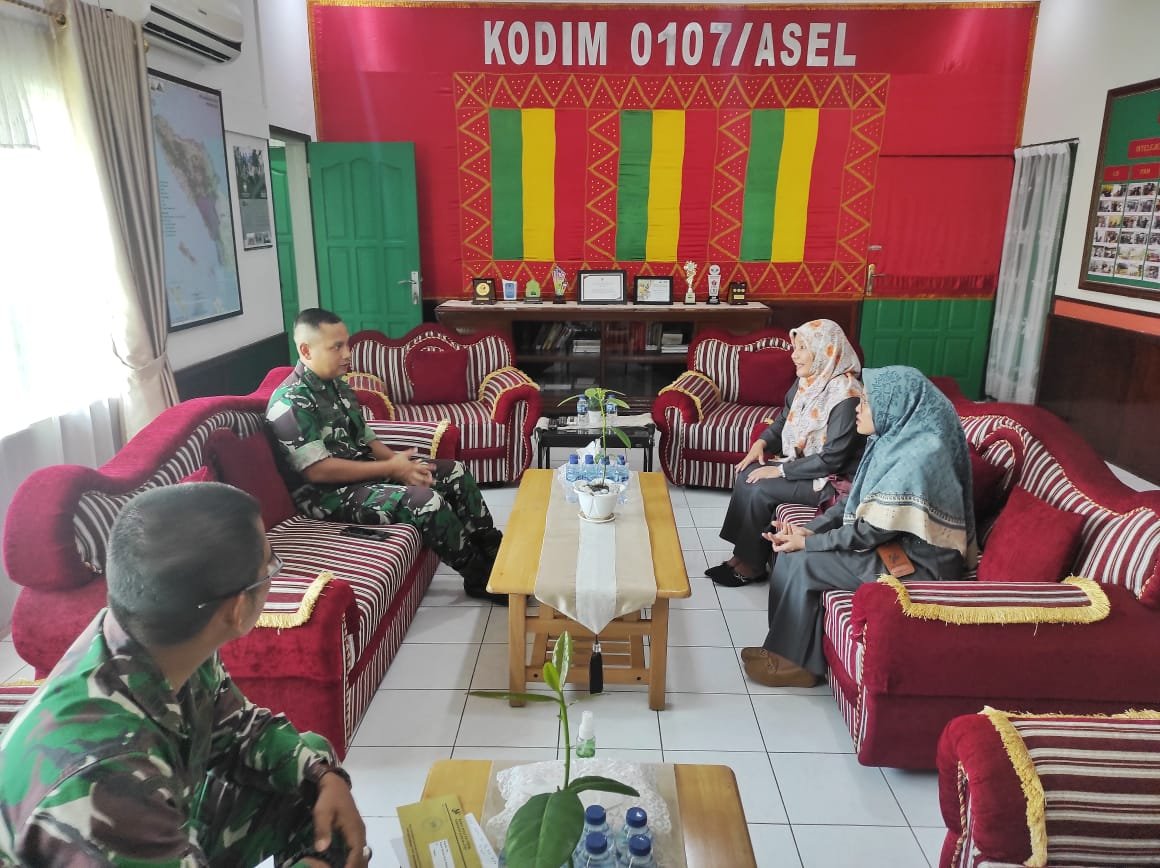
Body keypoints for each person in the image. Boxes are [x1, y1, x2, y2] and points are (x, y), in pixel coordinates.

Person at [0, 484, 369, 867]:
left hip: (148, 813)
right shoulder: (110, 782)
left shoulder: (159, 635)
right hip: (116, 822)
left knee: (308, 774)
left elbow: (238, 731)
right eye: (268, 566)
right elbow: (126, 803)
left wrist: (324, 775)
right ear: (237, 610)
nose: (274, 572)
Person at [741, 366, 977, 688]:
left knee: (802, 562)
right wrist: (810, 529)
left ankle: (796, 665)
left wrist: (808, 544)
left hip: (920, 564)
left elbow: (872, 531)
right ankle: (781, 649)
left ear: (893, 405)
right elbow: (854, 502)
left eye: (866, 401)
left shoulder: (920, 457)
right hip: (893, 545)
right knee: (791, 555)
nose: (858, 408)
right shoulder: (891, 441)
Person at [267, 308, 505, 605]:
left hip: (361, 477)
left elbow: (367, 439)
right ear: (306, 351)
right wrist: (391, 468)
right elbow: (318, 471)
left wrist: (400, 465)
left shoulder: (338, 386)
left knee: (454, 472)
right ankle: (479, 577)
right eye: (336, 347)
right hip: (326, 497)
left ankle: (496, 553)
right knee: (427, 501)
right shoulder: (291, 400)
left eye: (347, 344)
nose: (347, 354)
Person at [708, 319, 865, 587]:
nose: (794, 355)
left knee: (761, 487)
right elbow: (783, 418)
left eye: (803, 348)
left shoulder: (846, 396)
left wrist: (780, 470)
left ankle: (752, 566)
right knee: (747, 473)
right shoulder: (810, 380)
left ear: (825, 350)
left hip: (835, 482)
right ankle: (741, 554)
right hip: (809, 467)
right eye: (795, 347)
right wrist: (762, 443)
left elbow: (833, 459)